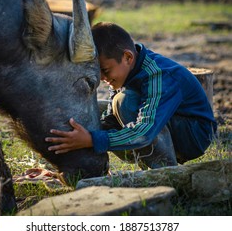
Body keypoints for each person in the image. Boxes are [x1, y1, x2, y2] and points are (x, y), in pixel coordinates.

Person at [45, 22, 217, 169]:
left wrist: (92, 139)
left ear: (127, 57)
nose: (103, 79)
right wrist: (83, 135)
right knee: (96, 109)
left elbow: (145, 131)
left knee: (125, 102)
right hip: (162, 124)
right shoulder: (126, 72)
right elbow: (111, 117)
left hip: (193, 135)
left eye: (105, 70)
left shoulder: (158, 75)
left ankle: (165, 172)